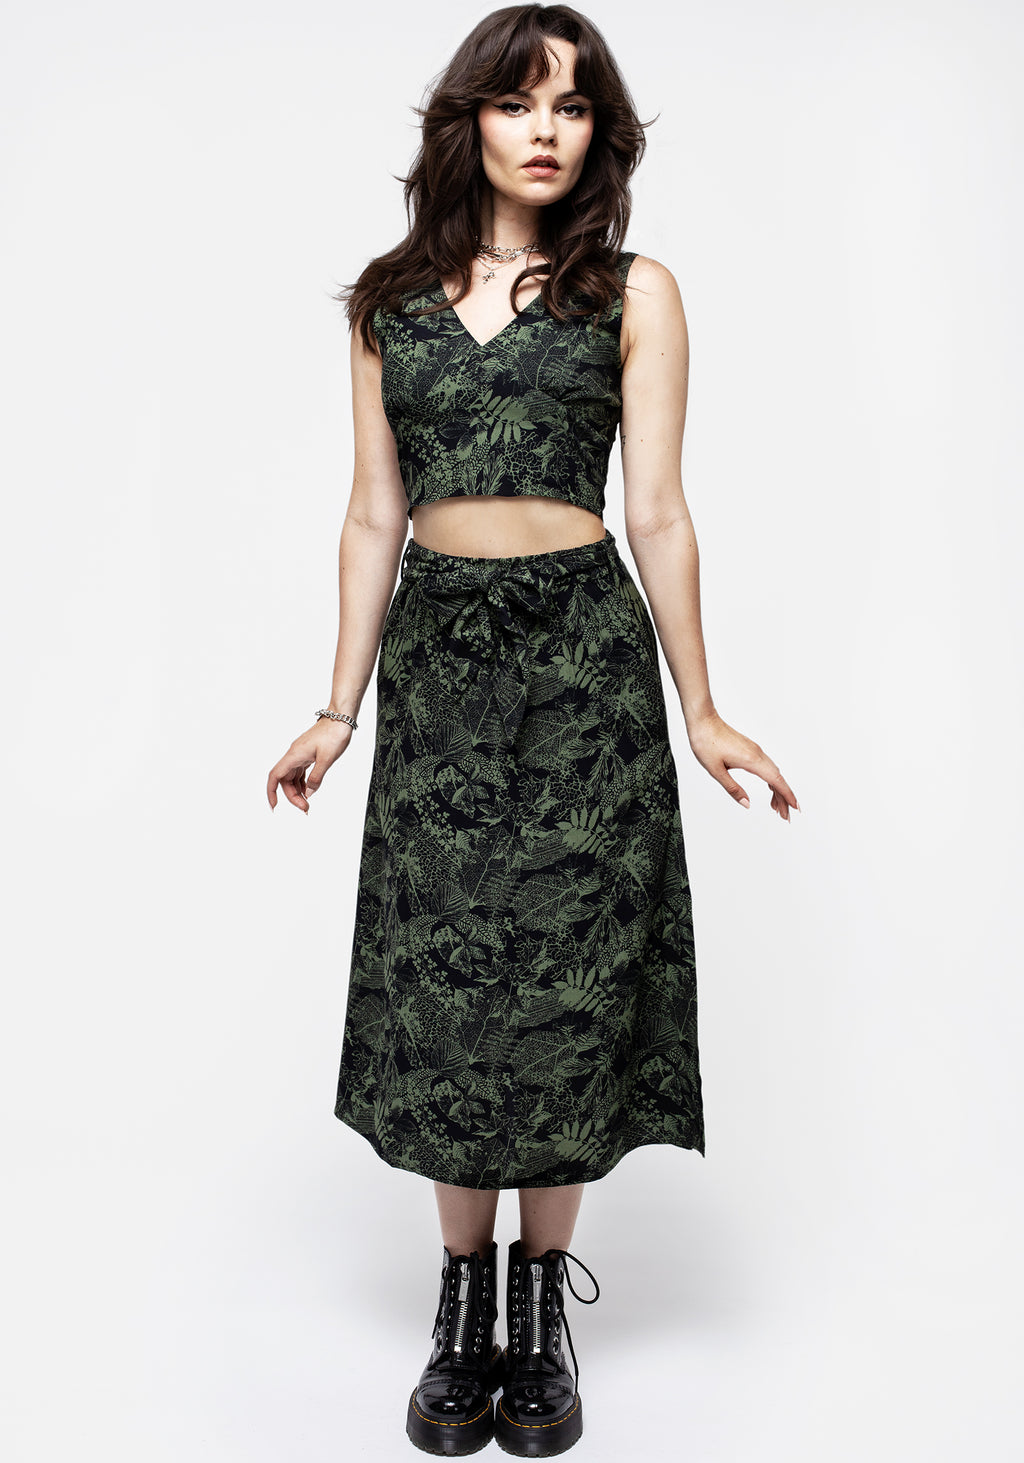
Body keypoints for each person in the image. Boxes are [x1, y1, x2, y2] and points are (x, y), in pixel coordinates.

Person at [267, 4, 799, 1455]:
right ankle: (461, 1306)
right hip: (440, 664)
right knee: (452, 992)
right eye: (518, 102)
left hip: (583, 667)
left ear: (598, 134)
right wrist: (335, 706)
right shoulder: (390, 303)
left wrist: (702, 707)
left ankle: (539, 1303)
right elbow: (373, 513)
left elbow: (661, 512)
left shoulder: (634, 293)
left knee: (569, 983)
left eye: (572, 106)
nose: (546, 129)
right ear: (472, 123)